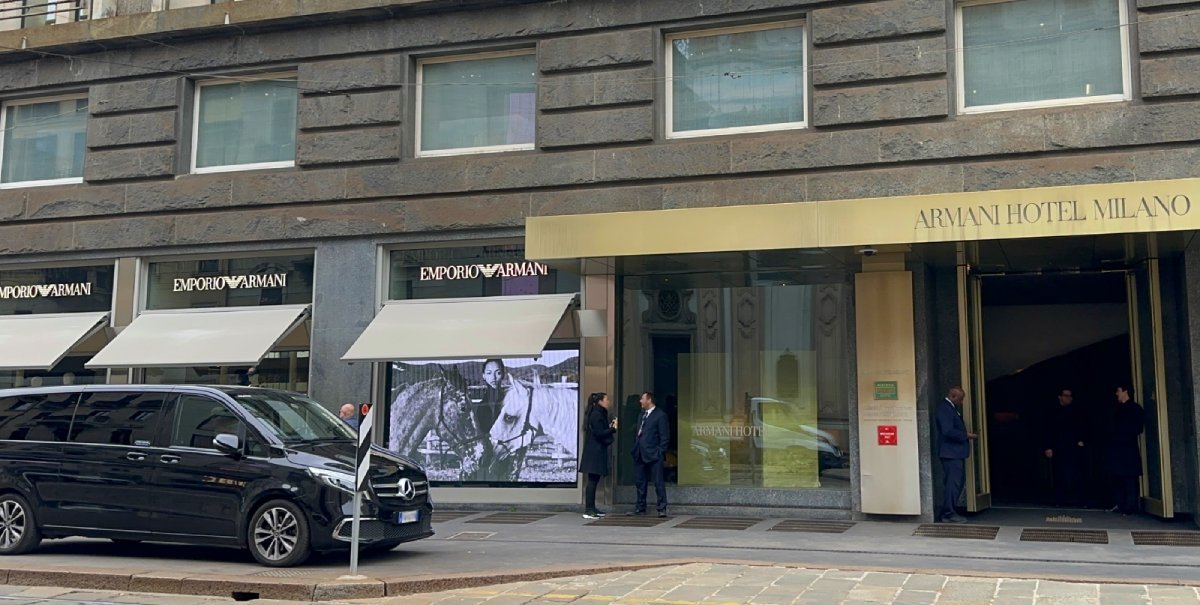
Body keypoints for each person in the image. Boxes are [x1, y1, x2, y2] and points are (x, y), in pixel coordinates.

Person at [935, 386, 976, 524]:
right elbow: (947, 431)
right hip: (951, 453)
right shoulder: (945, 408)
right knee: (953, 484)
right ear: (953, 396)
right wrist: (965, 435)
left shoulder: (949, 408)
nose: (962, 402)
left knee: (955, 483)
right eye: (961, 399)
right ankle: (948, 514)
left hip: (953, 453)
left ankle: (948, 511)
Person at [628, 391, 670, 518]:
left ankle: (662, 508)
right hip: (640, 453)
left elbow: (665, 436)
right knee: (640, 482)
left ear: (649, 400)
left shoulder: (660, 415)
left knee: (658, 482)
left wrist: (660, 451)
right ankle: (640, 507)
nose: (640, 401)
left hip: (653, 454)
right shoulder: (641, 415)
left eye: (642, 399)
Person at [1043, 388, 1086, 507]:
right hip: (1058, 448)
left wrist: (1081, 440)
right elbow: (1048, 431)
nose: (1068, 398)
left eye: (1070, 396)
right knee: (1059, 474)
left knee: (1076, 474)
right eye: (1066, 396)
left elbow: (1082, 427)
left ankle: (1078, 500)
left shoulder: (1077, 412)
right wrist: (1048, 447)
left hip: (1073, 447)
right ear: (1060, 397)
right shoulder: (1052, 412)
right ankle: (1059, 500)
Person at [1106, 385, 1144, 515]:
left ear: (1125, 392)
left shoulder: (1135, 409)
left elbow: (1139, 428)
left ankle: (1130, 507)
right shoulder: (1116, 409)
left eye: (1118, 391)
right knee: (1117, 477)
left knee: (1129, 478)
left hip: (1128, 448)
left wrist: (1123, 433)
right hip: (1117, 448)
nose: (1117, 394)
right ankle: (1119, 504)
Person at [579, 392, 617, 520]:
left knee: (594, 480)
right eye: (606, 399)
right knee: (592, 481)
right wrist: (612, 429)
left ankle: (592, 508)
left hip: (595, 451)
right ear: (600, 401)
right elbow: (599, 433)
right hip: (594, 452)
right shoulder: (596, 414)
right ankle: (589, 509)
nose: (608, 402)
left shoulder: (598, 413)